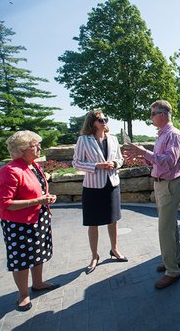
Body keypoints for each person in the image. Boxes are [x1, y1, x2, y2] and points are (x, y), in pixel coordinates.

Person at [0, 131, 59, 312]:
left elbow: (35, 190)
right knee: (21, 259)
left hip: (38, 217)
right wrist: (38, 201)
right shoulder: (9, 171)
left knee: (38, 252)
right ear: (22, 149)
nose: (39, 147)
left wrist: (45, 198)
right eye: (34, 145)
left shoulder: (33, 165)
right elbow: (4, 203)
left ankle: (38, 283)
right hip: (18, 224)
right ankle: (23, 294)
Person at [123, 100, 180, 289]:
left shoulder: (173, 135)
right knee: (170, 225)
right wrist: (143, 155)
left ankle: (172, 271)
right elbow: (159, 161)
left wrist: (144, 152)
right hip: (162, 185)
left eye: (152, 114)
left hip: (168, 185)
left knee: (164, 229)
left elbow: (169, 161)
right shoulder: (162, 135)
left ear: (163, 114)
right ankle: (174, 260)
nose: (150, 117)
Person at [72, 110, 127, 275]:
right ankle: (94, 256)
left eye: (106, 119)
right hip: (93, 187)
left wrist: (115, 164)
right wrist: (96, 166)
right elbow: (76, 163)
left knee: (113, 220)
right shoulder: (83, 140)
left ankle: (114, 249)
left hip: (112, 184)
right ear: (93, 122)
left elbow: (121, 159)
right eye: (101, 120)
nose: (104, 122)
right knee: (92, 222)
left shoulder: (113, 139)